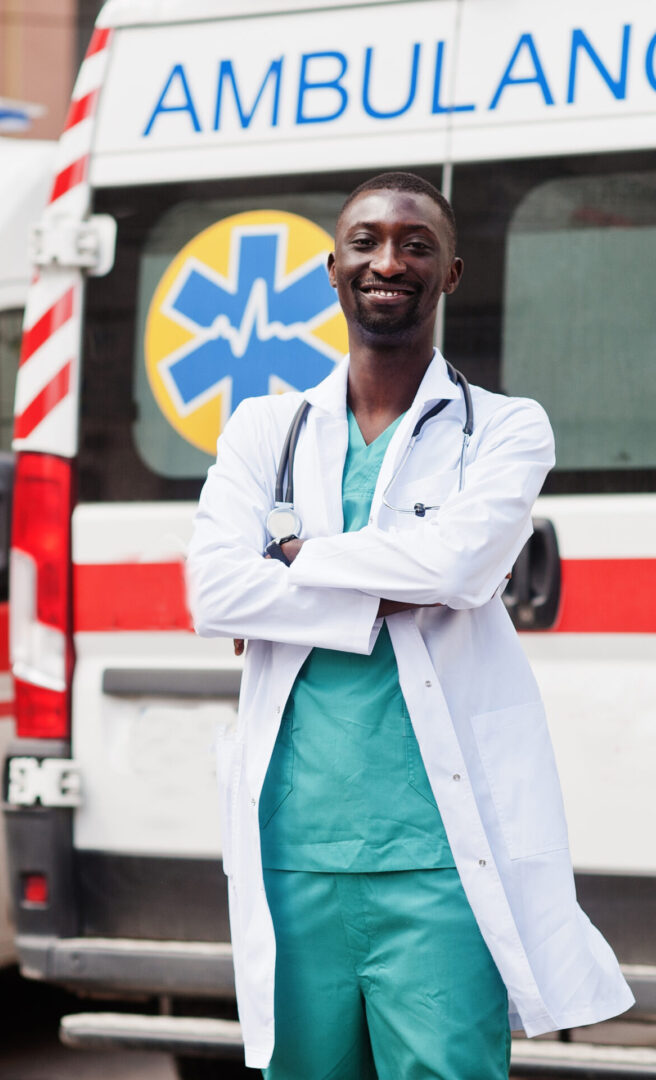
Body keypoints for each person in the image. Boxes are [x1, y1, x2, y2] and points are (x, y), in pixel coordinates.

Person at [186, 172, 633, 1078]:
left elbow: (459, 569)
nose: (388, 261)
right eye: (366, 241)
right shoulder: (264, 429)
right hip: (291, 858)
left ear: (451, 272)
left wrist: (293, 561)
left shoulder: (504, 430)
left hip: (438, 868)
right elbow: (213, 592)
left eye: (415, 244)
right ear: (332, 268)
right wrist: (390, 575)